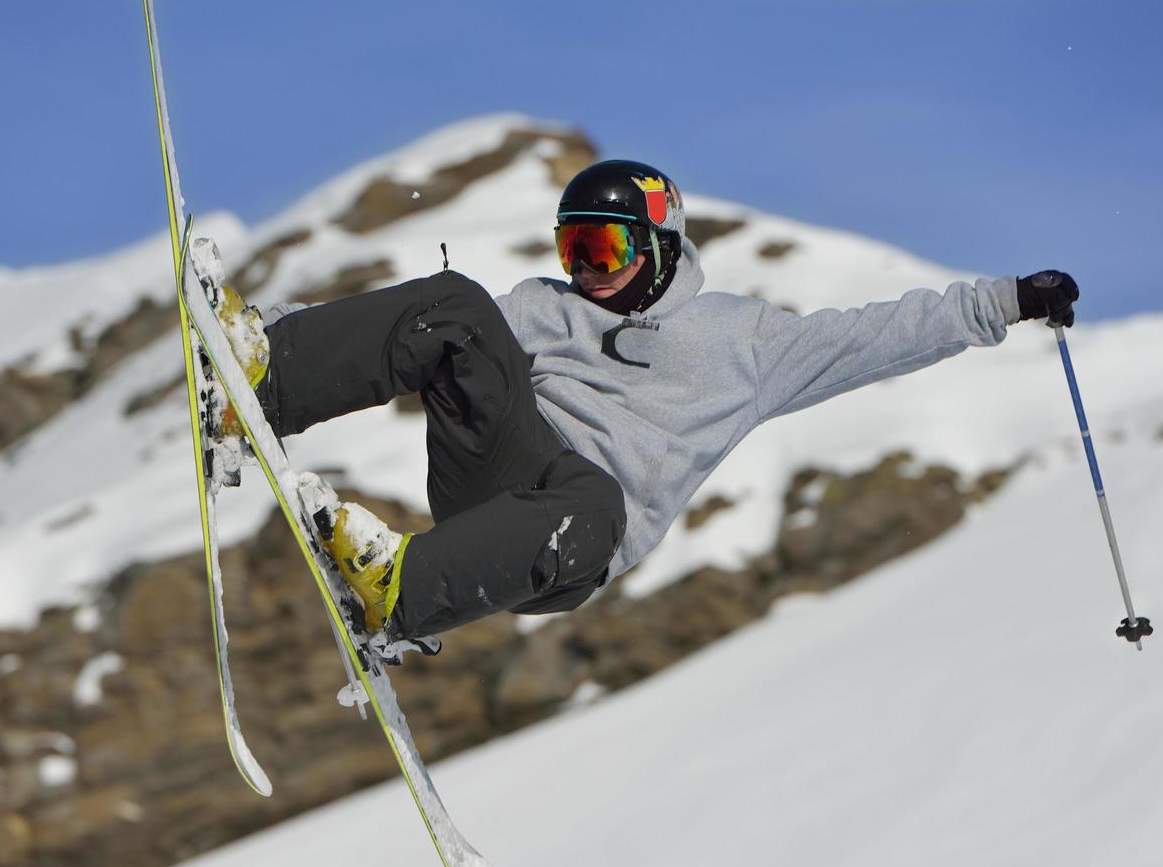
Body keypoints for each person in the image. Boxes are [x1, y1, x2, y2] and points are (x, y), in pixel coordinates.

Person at [212, 159, 1078, 640]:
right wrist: (289, 327)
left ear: (660, 246)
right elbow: (409, 330)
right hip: (499, 472)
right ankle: (262, 378)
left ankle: (395, 593)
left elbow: (878, 334)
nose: (584, 267)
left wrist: (1007, 300)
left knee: (596, 499)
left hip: (569, 539)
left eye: (604, 245)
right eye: (572, 246)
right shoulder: (546, 310)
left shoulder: (744, 343)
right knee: (457, 306)